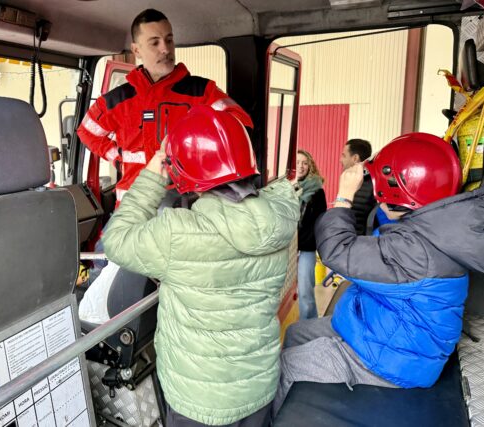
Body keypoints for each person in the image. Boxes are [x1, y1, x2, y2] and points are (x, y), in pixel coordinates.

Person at [274, 132, 484, 413]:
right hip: (385, 328)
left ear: (399, 192)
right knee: (296, 332)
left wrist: (344, 196)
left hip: (394, 359)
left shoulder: (415, 250)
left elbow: (337, 252)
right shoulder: (437, 226)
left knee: (286, 366)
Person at [103, 105, 299, 426]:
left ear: (181, 171)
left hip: (198, 401)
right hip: (259, 387)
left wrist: (152, 177)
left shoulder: (177, 233)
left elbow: (116, 240)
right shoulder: (279, 220)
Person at [77, 8, 253, 206]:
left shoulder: (202, 92)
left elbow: (240, 123)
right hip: (133, 208)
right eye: (155, 43)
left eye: (169, 40)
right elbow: (86, 132)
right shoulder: (117, 99)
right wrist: (118, 159)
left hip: (185, 207)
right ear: (136, 50)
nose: (166, 49)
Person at [296, 150, 327, 319]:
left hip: (305, 248)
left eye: (305, 163)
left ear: (310, 166)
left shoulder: (317, 192)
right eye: (297, 162)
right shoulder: (284, 188)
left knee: (305, 292)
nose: (301, 166)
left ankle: (307, 326)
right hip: (285, 247)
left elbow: (321, 221)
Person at [339, 138, 375, 235]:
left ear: (355, 158)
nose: (340, 160)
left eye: (344, 155)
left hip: (356, 240)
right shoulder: (353, 181)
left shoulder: (370, 184)